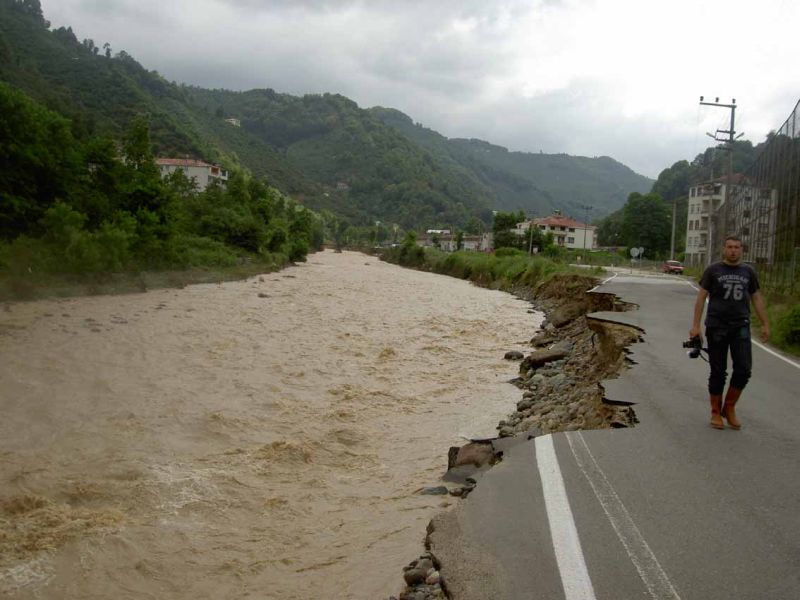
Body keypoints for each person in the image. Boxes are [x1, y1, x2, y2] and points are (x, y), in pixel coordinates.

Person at [689, 235, 770, 430]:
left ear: (741, 250)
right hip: (717, 326)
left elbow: (756, 298)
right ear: (724, 249)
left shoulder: (748, 272)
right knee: (718, 371)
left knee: (744, 369)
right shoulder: (713, 270)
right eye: (730, 247)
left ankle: (729, 407)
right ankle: (715, 411)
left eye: (737, 247)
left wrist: (765, 323)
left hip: (740, 325)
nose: (733, 250)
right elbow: (701, 298)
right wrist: (696, 326)